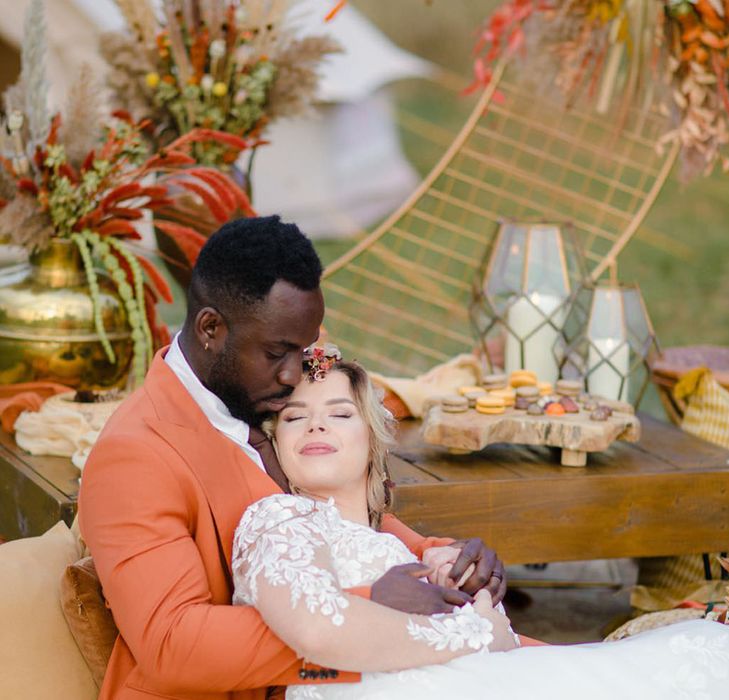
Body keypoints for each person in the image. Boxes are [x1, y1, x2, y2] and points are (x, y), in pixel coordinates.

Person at [78, 216, 509, 700]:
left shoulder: (260, 389)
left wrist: (436, 554)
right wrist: (363, 609)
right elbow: (173, 645)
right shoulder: (136, 456)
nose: (293, 375)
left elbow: (330, 520)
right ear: (211, 328)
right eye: (278, 352)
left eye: (303, 351)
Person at [233, 355, 729, 700]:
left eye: (339, 413)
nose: (317, 424)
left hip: (478, 682)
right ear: (275, 444)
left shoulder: (396, 544)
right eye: (296, 417)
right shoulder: (279, 518)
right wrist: (465, 632)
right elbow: (316, 632)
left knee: (700, 657)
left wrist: (460, 591)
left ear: (372, 441)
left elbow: (499, 641)